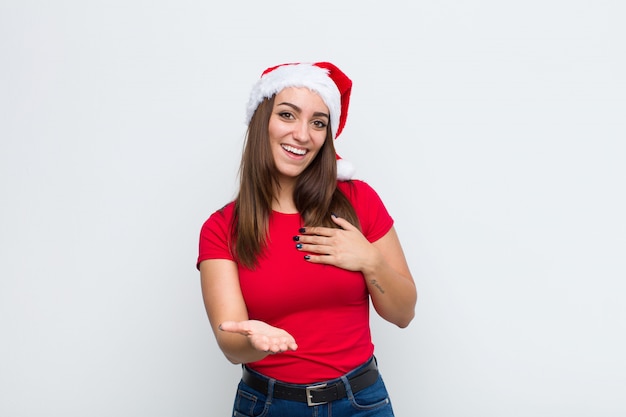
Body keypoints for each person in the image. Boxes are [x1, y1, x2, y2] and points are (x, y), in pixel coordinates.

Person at [197, 61, 417, 416]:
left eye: (318, 123)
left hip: (361, 403)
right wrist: (256, 341)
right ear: (261, 121)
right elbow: (230, 344)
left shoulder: (359, 201)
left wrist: (370, 260)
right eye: (287, 115)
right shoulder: (222, 228)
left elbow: (404, 313)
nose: (303, 134)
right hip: (269, 406)